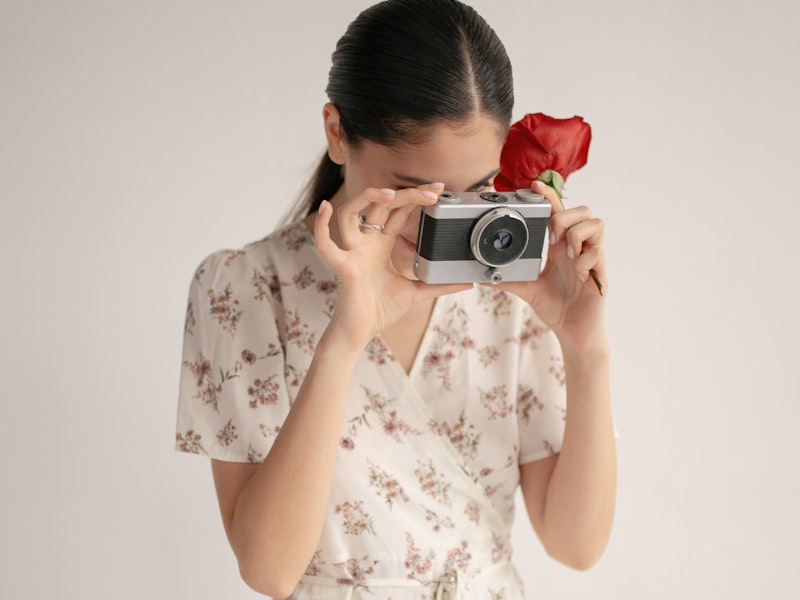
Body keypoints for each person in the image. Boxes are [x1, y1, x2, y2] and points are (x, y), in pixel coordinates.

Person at [175, 0, 616, 598]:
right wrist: (345, 337)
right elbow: (269, 571)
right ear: (337, 133)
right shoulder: (243, 287)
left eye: (479, 189)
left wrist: (585, 347)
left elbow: (576, 545)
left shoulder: (512, 286)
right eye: (414, 189)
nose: (446, 218)